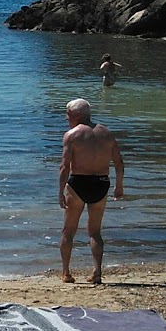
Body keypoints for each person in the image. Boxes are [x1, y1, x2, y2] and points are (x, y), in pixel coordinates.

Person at [58, 98, 124, 284]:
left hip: (79, 183)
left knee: (68, 231)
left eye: (68, 114)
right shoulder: (107, 133)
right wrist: (119, 186)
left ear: (77, 115)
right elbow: (119, 162)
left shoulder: (72, 135)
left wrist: (60, 191)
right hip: (101, 183)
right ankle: (97, 273)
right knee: (95, 231)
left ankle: (66, 273)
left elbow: (64, 166)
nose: (66, 118)